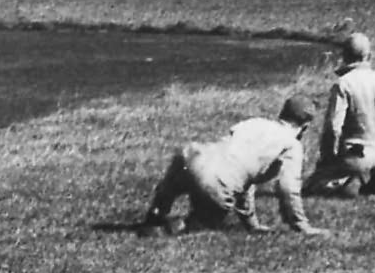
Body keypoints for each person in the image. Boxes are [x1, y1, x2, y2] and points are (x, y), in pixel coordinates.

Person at [140, 95, 328, 237]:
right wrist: (301, 225)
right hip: (217, 179)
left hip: (194, 156)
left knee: (172, 186)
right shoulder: (291, 145)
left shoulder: (256, 122)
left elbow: (244, 177)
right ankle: (168, 229)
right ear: (305, 127)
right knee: (204, 222)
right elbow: (288, 189)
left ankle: (155, 215)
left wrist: (251, 224)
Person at [302, 32, 375, 197]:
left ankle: (347, 183)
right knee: (374, 168)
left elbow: (333, 128)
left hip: (353, 156)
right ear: (369, 55)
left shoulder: (343, 84)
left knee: (312, 185)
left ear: (344, 56)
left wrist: (328, 158)